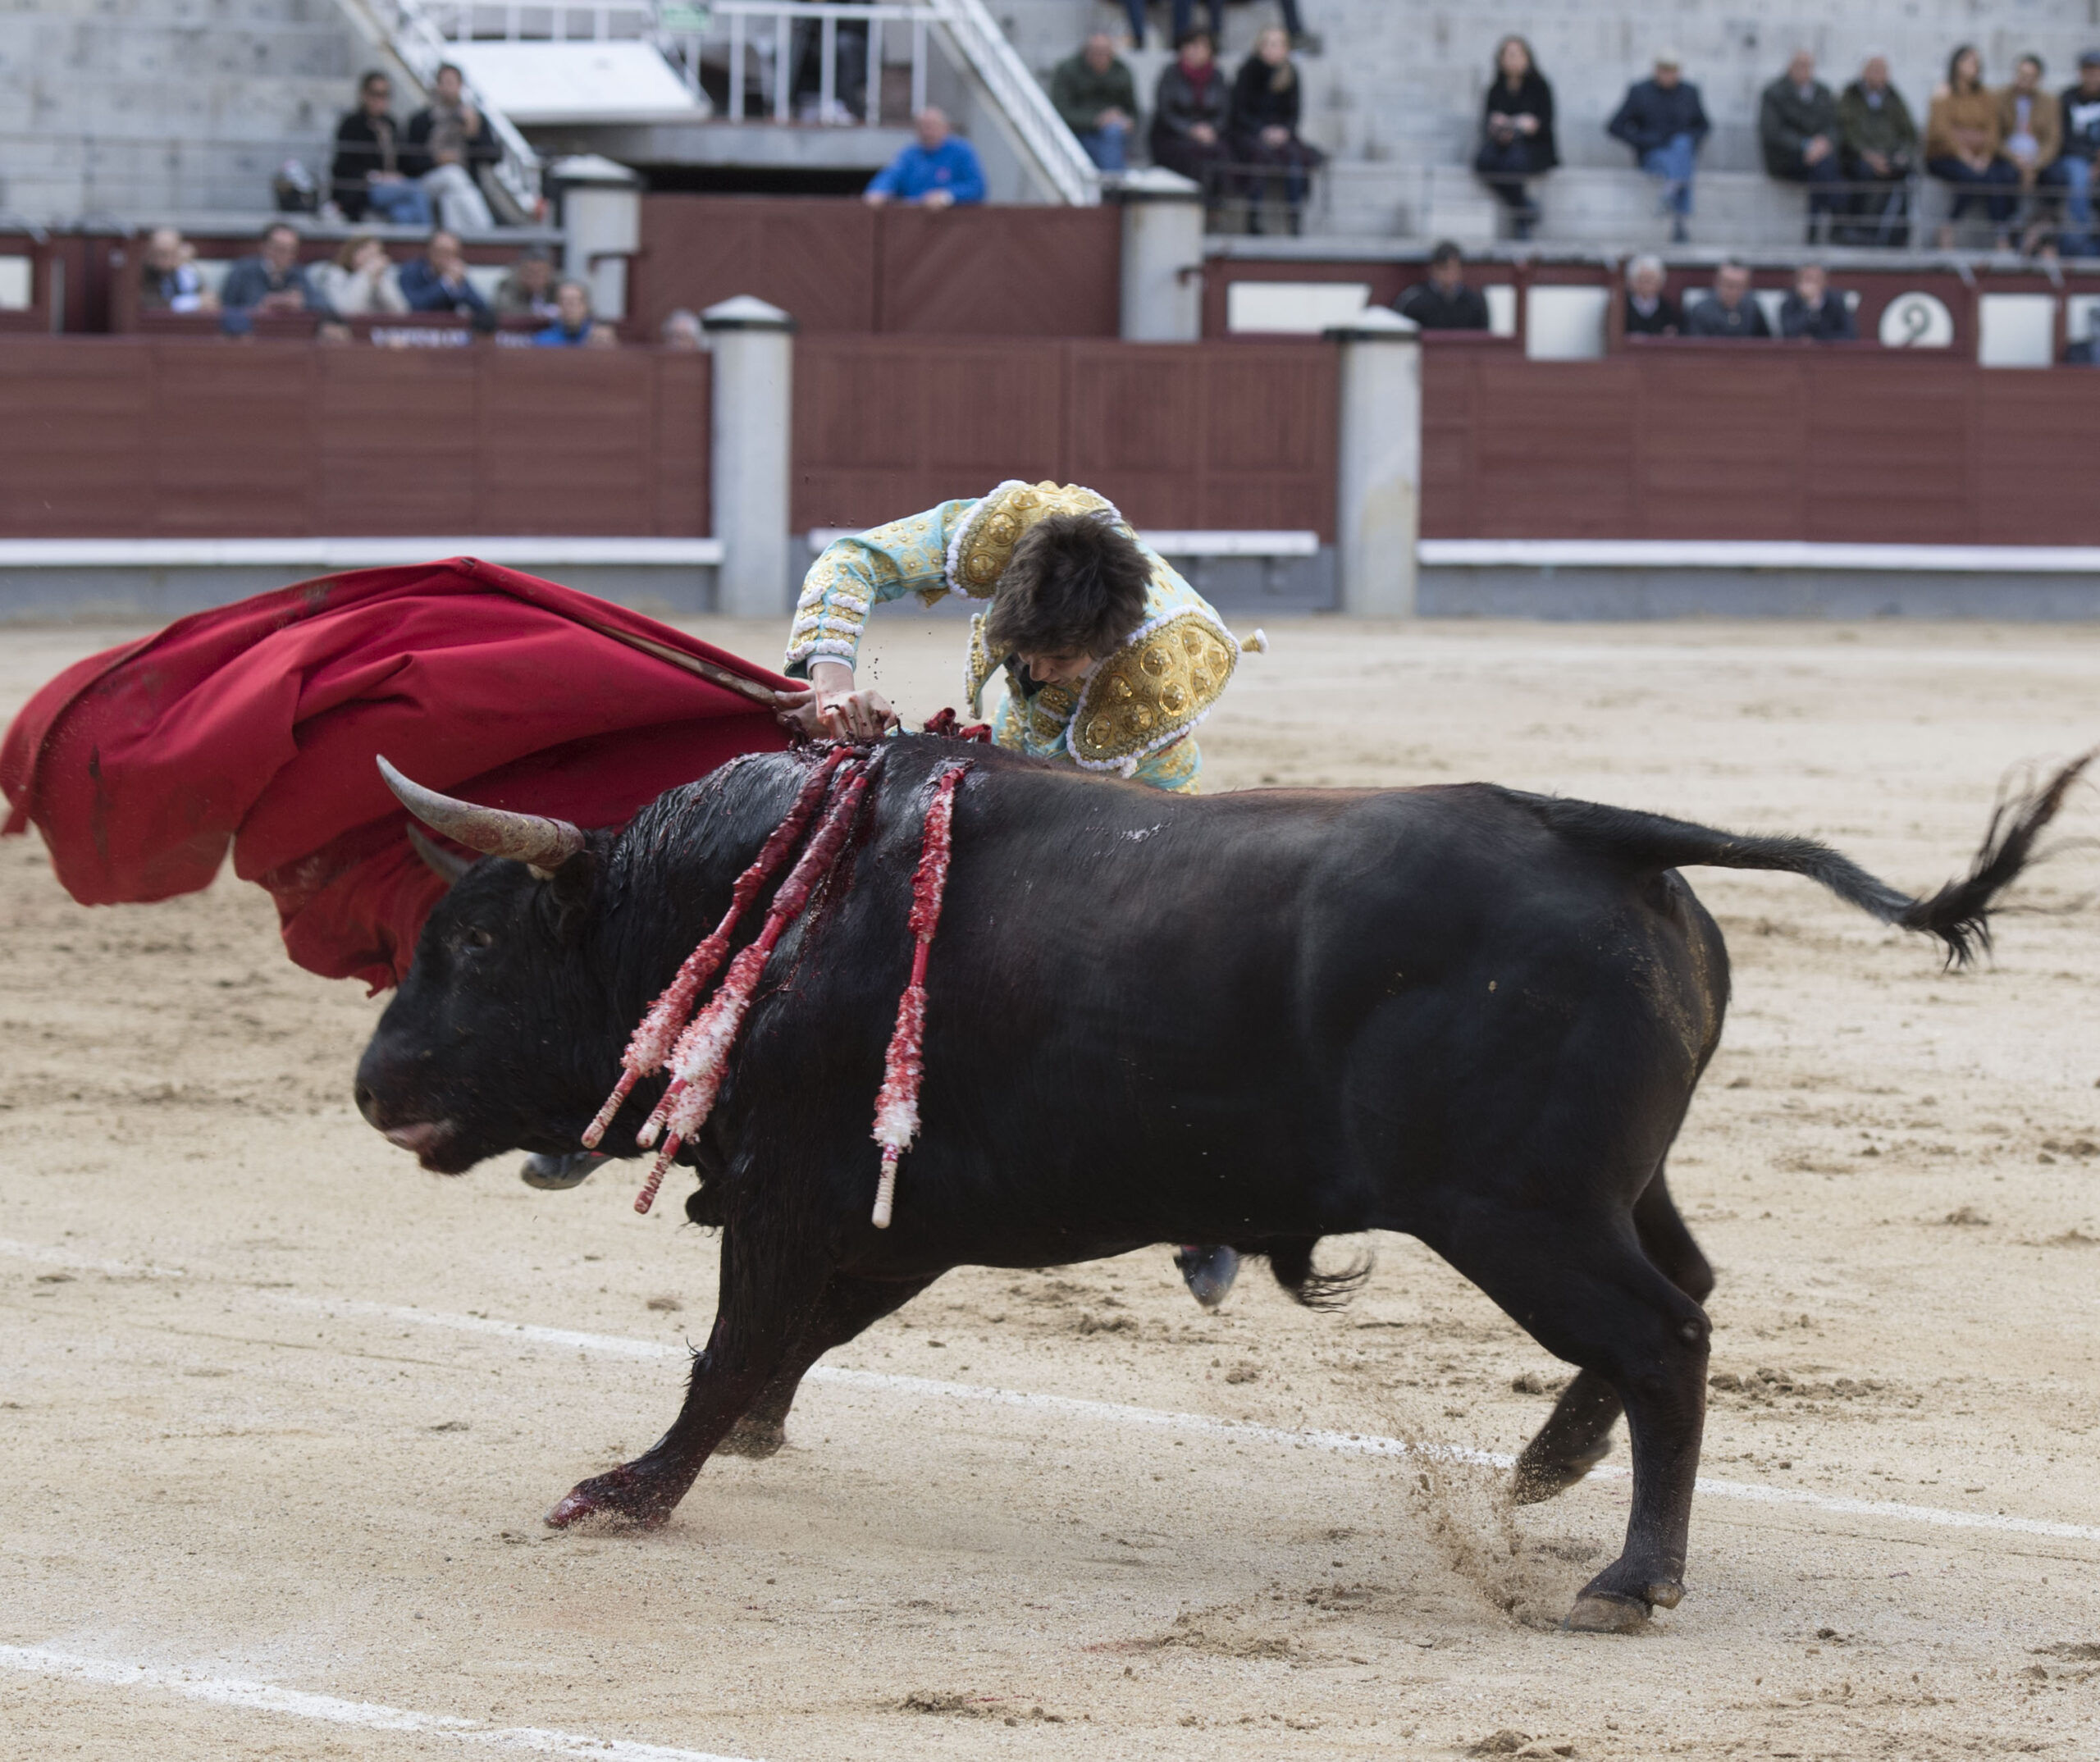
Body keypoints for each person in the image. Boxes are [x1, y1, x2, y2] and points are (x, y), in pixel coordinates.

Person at [774, 479, 1257, 1311]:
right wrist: (828, 685)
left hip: (1138, 805)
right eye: (1023, 647)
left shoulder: (1160, 668)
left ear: (1100, 648)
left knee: (1128, 989)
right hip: (1032, 753)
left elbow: (1044, 805)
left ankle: (1203, 1208)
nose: (1032, 669)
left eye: (1056, 661)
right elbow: (853, 560)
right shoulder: (1014, 529)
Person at [1229, 26, 1324, 233]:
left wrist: (1282, 132)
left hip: (1281, 133)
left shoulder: (1290, 74)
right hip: (1250, 131)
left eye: (1278, 44)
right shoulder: (1247, 71)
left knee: (1296, 158)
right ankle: (1253, 219)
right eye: (1268, 44)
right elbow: (1239, 111)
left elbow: (1294, 113)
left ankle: (1295, 218)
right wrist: (1262, 131)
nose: (1272, 49)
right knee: (1258, 156)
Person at [1608, 50, 1710, 243]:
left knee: (1682, 145)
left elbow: (1703, 126)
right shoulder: (1640, 92)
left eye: (1673, 70)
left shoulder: (1689, 92)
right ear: (1656, 70)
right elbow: (1615, 126)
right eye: (1664, 69)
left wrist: (1689, 139)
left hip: (1682, 152)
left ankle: (1671, 189)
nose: (1668, 75)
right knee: (1677, 159)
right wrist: (1644, 139)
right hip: (1653, 154)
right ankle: (1679, 216)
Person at [1927, 45, 2020, 249]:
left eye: (1977, 63)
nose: (1975, 67)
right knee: (1973, 176)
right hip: (1947, 156)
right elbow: (1941, 131)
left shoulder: (1986, 95)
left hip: (1980, 156)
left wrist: (1985, 157)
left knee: (1999, 175)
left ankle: (2002, 235)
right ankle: (1948, 226)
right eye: (1970, 62)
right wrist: (1966, 156)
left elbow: (1993, 131)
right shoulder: (1944, 93)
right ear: (1956, 65)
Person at [1473, 35, 1557, 240]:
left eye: (1517, 54)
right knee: (1483, 161)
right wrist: (1500, 126)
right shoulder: (1495, 89)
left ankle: (1521, 220)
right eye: (1508, 55)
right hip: (1502, 144)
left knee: (1514, 163)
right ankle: (1525, 208)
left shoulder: (1540, 86)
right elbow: (1486, 123)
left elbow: (1545, 123)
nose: (1513, 60)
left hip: (1534, 146)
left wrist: (1524, 125)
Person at [1760, 51, 1845, 243]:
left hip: (1818, 157)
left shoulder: (1823, 92)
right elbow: (1773, 132)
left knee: (1822, 168)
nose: (1803, 70)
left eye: (1807, 66)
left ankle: (1815, 231)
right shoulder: (1774, 92)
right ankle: (1835, 223)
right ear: (1789, 67)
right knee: (1823, 168)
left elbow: (1834, 126)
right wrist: (1806, 146)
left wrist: (1823, 144)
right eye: (1799, 65)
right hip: (1787, 158)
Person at [405, 62, 499, 234]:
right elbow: (408, 162)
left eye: (453, 82)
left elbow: (492, 157)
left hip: (462, 185)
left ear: (461, 86)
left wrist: (473, 134)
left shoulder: (473, 118)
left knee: (452, 197)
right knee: (453, 175)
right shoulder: (421, 120)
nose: (448, 88)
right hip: (428, 181)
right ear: (437, 86)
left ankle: (454, 240)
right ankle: (486, 231)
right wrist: (437, 160)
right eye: (444, 82)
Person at [330, 71, 431, 227]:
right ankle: (431, 241)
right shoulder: (352, 125)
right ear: (364, 95)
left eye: (385, 95)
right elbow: (344, 165)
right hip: (364, 189)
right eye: (375, 94)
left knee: (403, 214)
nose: (380, 100)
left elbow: (405, 161)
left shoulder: (391, 125)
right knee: (417, 190)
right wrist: (377, 176)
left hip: (392, 187)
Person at [1837, 54, 1918, 247]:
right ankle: (1861, 231)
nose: (1878, 75)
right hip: (1858, 157)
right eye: (1873, 70)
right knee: (1864, 173)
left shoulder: (1894, 98)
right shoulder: (1850, 96)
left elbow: (1909, 133)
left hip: (1890, 155)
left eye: (1882, 71)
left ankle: (1897, 235)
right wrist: (1868, 155)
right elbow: (1846, 131)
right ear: (1863, 72)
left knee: (1906, 171)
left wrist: (1901, 154)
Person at [1150, 30, 1232, 199]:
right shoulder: (1170, 73)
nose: (1196, 51)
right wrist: (1190, 130)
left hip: (1208, 135)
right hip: (1172, 135)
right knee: (1194, 154)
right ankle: (1192, 202)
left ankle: (1215, 206)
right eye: (1192, 46)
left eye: (1202, 47)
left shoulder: (1217, 76)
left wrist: (1210, 130)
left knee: (1221, 152)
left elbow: (1224, 112)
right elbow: (1165, 112)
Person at [1999, 54, 2066, 251]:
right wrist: (2017, 160)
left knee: (2058, 177)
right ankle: (2006, 236)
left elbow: (2053, 141)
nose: (2024, 80)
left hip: (2038, 160)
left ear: (2038, 79)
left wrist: (2034, 164)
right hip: (2010, 158)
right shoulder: (2000, 98)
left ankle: (2041, 232)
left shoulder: (2049, 102)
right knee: (2002, 177)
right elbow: (1994, 138)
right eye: (2021, 75)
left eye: (2029, 76)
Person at [1052, 32, 1139, 173]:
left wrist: (1128, 121)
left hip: (1113, 134)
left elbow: (1132, 110)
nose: (1101, 57)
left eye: (1105, 52)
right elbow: (1061, 111)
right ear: (1086, 52)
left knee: (1112, 133)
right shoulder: (1067, 70)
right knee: (1108, 145)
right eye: (1096, 52)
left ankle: (1111, 185)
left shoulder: (1121, 71)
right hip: (1078, 133)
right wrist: (1097, 120)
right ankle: (1113, 186)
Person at [863, 108, 985, 208]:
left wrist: (946, 196)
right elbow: (891, 176)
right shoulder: (910, 154)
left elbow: (976, 187)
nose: (927, 132)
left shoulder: (962, 151)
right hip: (914, 221)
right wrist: (878, 191)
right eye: (922, 127)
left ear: (945, 128)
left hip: (954, 225)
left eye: (932, 126)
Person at [218, 222, 321, 323]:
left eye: (291, 250)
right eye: (280, 249)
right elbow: (225, 307)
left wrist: (302, 303)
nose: (286, 255)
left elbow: (320, 304)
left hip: (288, 332)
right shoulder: (243, 270)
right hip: (251, 333)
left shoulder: (298, 273)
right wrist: (260, 306)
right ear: (264, 247)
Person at [2057, 50, 2100, 250]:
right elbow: (2062, 137)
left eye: (2096, 70)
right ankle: (2081, 239)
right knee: (2079, 175)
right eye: (2087, 70)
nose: (2092, 75)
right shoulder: (2067, 98)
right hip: (2074, 158)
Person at [399, 230, 491, 322]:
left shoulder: (457, 276)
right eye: (441, 252)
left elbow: (483, 310)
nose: (445, 258)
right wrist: (445, 284)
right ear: (429, 251)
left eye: (452, 254)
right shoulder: (411, 271)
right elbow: (413, 307)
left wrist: (459, 286)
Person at [1393, 241, 1489, 330]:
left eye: (1454, 269)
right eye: (1444, 268)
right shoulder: (1414, 301)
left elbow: (1482, 339)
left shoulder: (1474, 302)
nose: (1450, 275)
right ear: (1433, 269)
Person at [313, 235, 408, 317]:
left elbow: (401, 312)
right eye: (367, 253)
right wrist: (365, 274)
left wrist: (381, 283)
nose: (372, 260)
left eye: (375, 255)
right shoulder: (334, 275)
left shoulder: (383, 277)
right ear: (352, 253)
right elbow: (348, 311)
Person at [136, 226, 217, 315]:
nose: (167, 261)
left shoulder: (185, 270)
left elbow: (207, 298)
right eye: (161, 254)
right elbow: (151, 304)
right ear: (150, 253)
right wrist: (194, 303)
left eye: (172, 254)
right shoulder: (142, 274)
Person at [1682, 260, 1771, 338]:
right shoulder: (1701, 310)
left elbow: (1765, 342)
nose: (1733, 291)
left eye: (1739, 286)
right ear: (1717, 283)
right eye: (1729, 285)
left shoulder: (1752, 308)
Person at [1778, 262, 1856, 340]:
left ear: (1824, 282)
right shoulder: (1789, 304)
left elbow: (1850, 335)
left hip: (1829, 351)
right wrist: (1810, 308)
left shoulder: (1837, 303)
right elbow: (1789, 334)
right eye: (1807, 280)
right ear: (1798, 284)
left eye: (1815, 280)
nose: (1811, 286)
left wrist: (1818, 340)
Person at [1621, 253, 1678, 336]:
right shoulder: (1621, 308)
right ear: (1631, 282)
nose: (1646, 285)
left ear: (1660, 282)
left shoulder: (1667, 309)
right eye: (1641, 279)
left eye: (1650, 280)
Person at [532, 279, 598, 346]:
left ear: (586, 305)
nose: (569, 308)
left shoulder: (597, 338)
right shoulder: (543, 341)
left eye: (574, 301)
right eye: (563, 302)